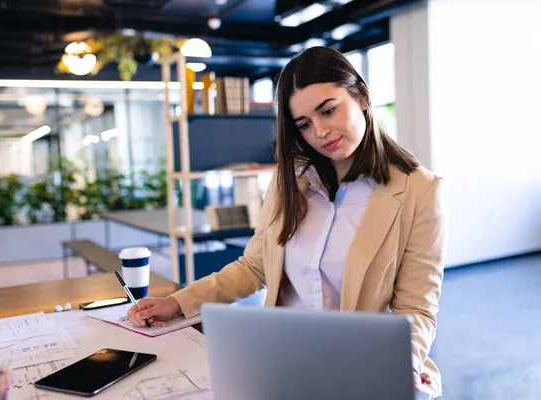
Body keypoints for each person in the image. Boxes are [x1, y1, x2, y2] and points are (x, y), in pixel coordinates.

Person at [128, 46, 447, 398]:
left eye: (328, 110)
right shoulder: (289, 181)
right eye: (305, 125)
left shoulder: (420, 190)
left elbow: (416, 308)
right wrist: (179, 302)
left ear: (361, 95)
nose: (321, 132)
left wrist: (407, 362)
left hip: (362, 366)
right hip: (284, 361)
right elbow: (254, 266)